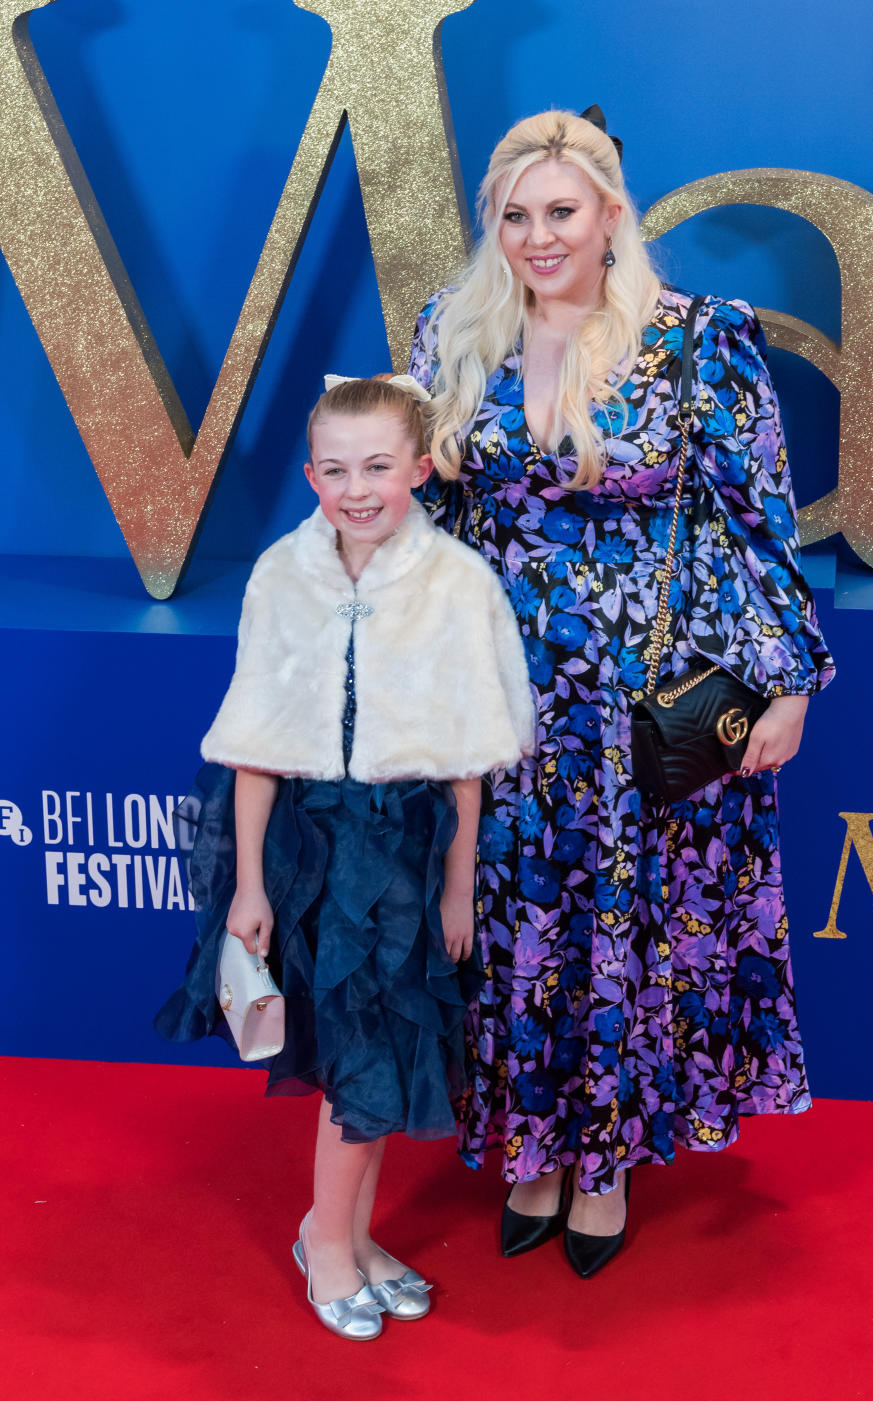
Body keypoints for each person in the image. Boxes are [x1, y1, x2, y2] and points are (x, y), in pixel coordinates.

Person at [409, 109, 835, 1278]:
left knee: (629, 928)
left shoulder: (699, 338)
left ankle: (603, 1166)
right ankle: (531, 1151)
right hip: (502, 697)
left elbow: (761, 521)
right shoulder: (451, 330)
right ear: (491, 223)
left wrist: (788, 682)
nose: (539, 238)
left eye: (562, 211)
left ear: (609, 215)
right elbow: (429, 512)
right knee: (515, 925)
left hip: (653, 699)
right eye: (515, 215)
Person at [155, 376, 535, 1337]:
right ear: (310, 472)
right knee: (353, 1058)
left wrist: (456, 885)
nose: (357, 489)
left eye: (377, 466)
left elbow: (468, 756)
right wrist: (249, 885)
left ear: (419, 467)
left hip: (406, 853)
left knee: (385, 1051)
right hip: (308, 851)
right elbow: (255, 744)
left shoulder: (457, 584)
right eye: (334, 469)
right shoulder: (283, 577)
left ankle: (349, 1237)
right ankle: (328, 1242)